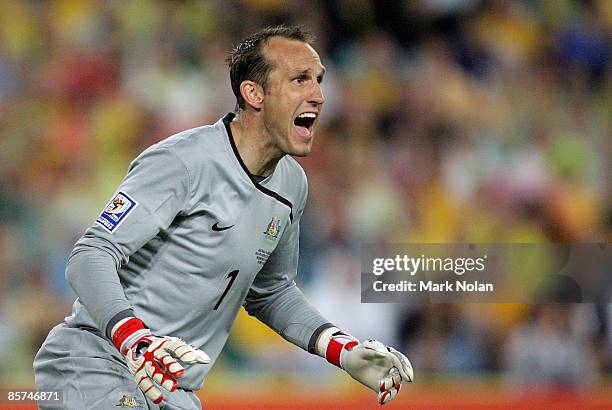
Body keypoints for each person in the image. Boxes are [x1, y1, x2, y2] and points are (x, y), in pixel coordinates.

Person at [34, 25, 413, 409]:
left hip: (172, 390)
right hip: (99, 363)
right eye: (300, 80)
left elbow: (271, 291)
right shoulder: (183, 161)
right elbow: (91, 254)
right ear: (254, 93)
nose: (317, 95)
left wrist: (342, 350)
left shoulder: (292, 186)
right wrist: (135, 337)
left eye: (319, 81)